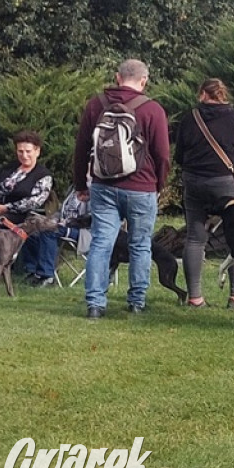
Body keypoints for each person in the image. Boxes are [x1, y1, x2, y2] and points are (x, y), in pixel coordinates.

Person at [73, 59, 170, 319]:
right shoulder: (153, 109)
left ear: (117, 77)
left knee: (101, 243)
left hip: (103, 185)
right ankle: (136, 301)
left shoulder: (96, 105)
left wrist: (81, 185)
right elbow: (162, 155)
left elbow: (82, 148)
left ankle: (95, 303)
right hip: (142, 187)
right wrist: (158, 184)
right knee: (140, 244)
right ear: (144, 80)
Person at [174, 78, 234, 309]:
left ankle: (195, 298)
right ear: (223, 95)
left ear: (203, 94)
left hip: (193, 183)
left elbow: (179, 157)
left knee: (195, 238)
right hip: (225, 183)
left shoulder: (189, 119)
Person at [0, 130, 54, 286]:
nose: (24, 155)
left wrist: (2, 208)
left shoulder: (43, 175)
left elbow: (34, 202)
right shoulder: (8, 168)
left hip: (22, 216)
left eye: (28, 151)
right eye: (20, 151)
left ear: (37, 151)